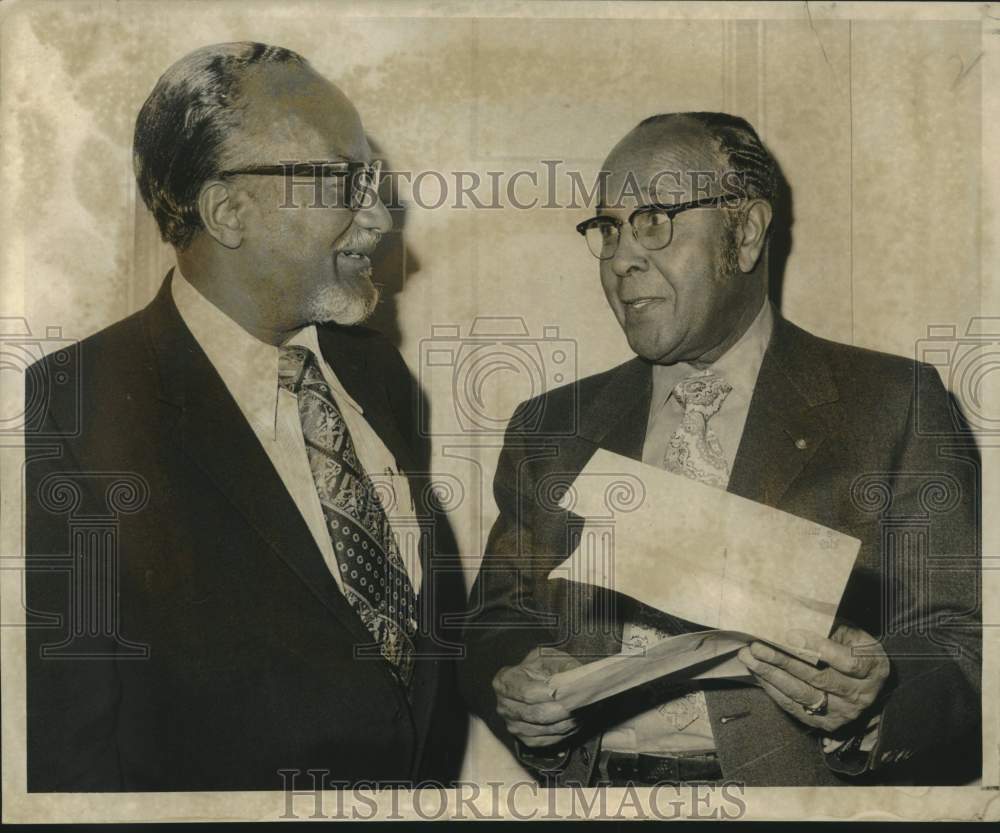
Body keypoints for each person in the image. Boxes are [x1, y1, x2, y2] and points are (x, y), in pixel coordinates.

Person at [459, 112, 981, 787]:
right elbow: (492, 620)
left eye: (654, 218)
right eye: (609, 228)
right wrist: (516, 678)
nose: (621, 256)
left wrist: (876, 700)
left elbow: (964, 639)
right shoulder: (550, 425)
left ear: (746, 232)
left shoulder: (894, 403)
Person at [25, 42, 465, 791]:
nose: (380, 218)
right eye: (342, 180)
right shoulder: (70, 408)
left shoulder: (373, 374)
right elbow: (68, 757)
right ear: (229, 210)